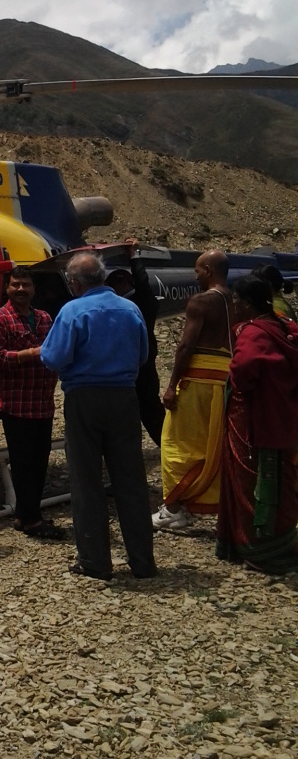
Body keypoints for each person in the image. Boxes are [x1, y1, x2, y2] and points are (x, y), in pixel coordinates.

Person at [39, 252, 156, 580]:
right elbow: (144, 354)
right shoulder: (130, 308)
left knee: (86, 479)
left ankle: (95, 561)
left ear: (74, 283)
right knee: (131, 479)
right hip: (124, 397)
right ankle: (143, 561)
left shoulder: (73, 310)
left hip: (85, 399)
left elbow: (53, 357)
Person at [216, 275, 298, 574]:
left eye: (236, 302)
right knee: (282, 480)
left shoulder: (253, 334)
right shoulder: (284, 329)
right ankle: (284, 543)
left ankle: (263, 551)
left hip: (254, 423)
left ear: (248, 304)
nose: (234, 307)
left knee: (251, 481)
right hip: (284, 419)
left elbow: (243, 371)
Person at [154, 249, 236, 532]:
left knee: (177, 441)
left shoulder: (201, 301)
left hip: (198, 379)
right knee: (211, 444)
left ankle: (174, 508)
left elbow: (186, 346)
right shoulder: (233, 301)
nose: (195, 275)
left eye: (198, 270)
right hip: (222, 379)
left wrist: (171, 384)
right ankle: (197, 502)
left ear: (209, 271)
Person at [0, 265, 63, 539]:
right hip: (16, 406)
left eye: (25, 285)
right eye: (15, 284)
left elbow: (56, 351)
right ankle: (32, 521)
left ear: (33, 289)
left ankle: (24, 514)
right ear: (7, 288)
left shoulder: (44, 318)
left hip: (42, 403)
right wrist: (31, 352)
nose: (20, 289)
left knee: (40, 463)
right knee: (23, 464)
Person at [106, 240, 165, 446]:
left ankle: (169, 450)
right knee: (150, 413)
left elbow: (142, 281)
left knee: (148, 412)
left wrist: (134, 256)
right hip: (137, 369)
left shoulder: (140, 302)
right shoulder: (141, 304)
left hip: (137, 370)